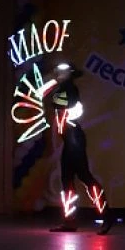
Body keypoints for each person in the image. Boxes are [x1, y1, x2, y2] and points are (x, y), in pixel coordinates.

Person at [42, 63, 112, 234]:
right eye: (58, 72)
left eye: (62, 72)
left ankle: (106, 217)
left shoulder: (69, 89)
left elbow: (61, 103)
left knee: (84, 177)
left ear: (69, 74)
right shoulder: (62, 89)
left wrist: (52, 96)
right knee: (67, 180)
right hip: (70, 140)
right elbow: (51, 101)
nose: (58, 74)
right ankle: (70, 221)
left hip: (74, 139)